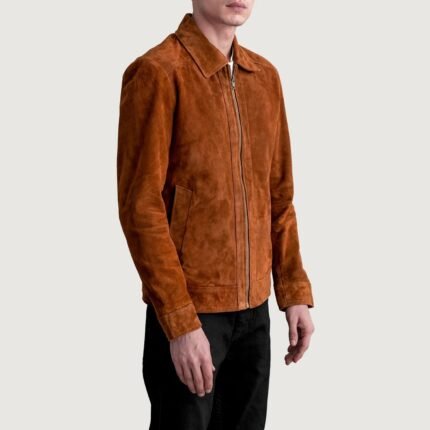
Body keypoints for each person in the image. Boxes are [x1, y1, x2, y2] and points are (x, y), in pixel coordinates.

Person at [117, 2, 315, 429]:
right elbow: (141, 208)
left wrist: (293, 290)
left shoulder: (264, 78)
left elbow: (278, 197)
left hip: (254, 314)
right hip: (193, 313)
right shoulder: (158, 73)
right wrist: (179, 322)